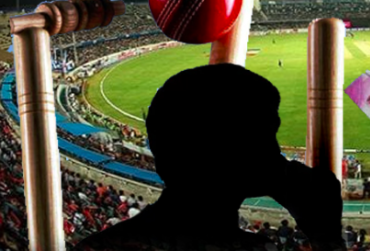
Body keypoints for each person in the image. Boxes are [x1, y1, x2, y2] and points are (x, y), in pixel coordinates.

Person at [74, 64, 344, 251]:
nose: (273, 153)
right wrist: (326, 235)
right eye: (263, 137)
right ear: (227, 155)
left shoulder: (98, 245)